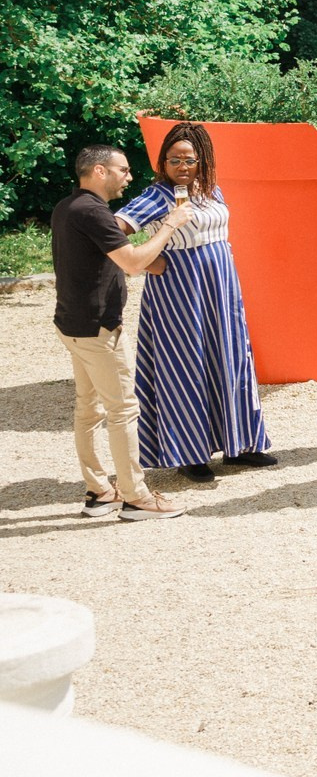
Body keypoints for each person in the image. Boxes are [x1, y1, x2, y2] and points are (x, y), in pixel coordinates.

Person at [120, 123, 273, 483]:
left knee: (232, 358)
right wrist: (147, 260)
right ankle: (190, 453)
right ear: (163, 163)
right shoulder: (159, 195)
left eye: (189, 159)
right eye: (174, 160)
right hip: (179, 291)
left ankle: (242, 445)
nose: (182, 166)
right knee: (184, 365)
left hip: (221, 289)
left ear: (203, 160)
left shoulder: (210, 191)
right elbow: (112, 228)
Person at [52, 145, 194, 519]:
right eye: (123, 170)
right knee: (123, 410)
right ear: (100, 171)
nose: (129, 177)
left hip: (72, 323)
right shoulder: (93, 211)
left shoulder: (66, 207)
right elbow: (131, 263)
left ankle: (100, 491)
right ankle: (136, 497)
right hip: (98, 328)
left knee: (89, 409)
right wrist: (170, 224)